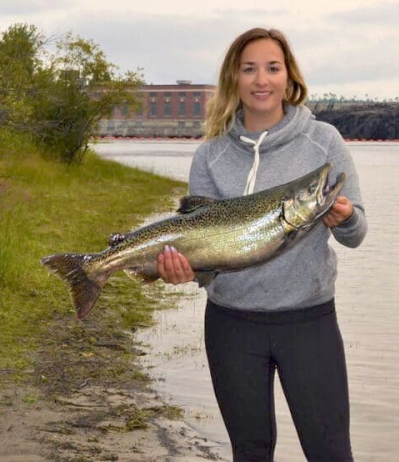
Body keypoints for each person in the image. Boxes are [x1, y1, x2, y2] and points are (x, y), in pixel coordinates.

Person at [155, 28, 367, 462]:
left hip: (309, 324)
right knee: (250, 453)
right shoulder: (210, 155)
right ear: (234, 78)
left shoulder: (323, 142)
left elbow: (357, 232)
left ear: (289, 77)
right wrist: (184, 270)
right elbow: (203, 256)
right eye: (249, 69)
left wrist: (343, 218)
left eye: (272, 68)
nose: (261, 80)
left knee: (331, 453)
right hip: (232, 326)